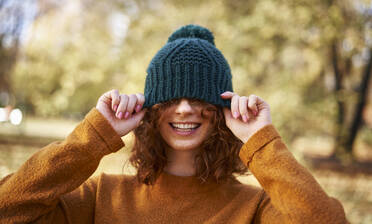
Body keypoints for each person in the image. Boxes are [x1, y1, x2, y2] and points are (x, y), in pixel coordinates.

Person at [0, 24, 348, 223]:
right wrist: (92, 137)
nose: (184, 109)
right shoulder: (101, 196)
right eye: (170, 99)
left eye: (199, 99)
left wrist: (262, 141)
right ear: (152, 109)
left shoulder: (254, 208)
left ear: (222, 109)